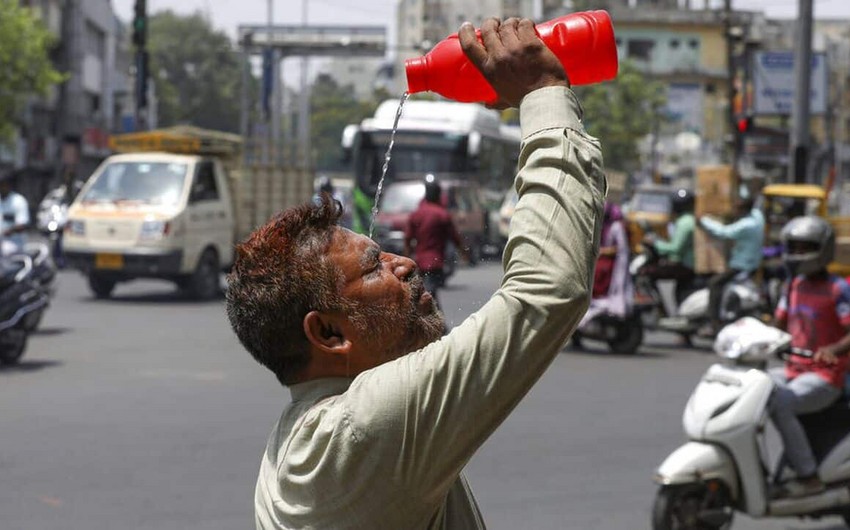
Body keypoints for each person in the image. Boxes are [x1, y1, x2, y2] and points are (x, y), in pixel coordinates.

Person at [225, 17, 606, 530]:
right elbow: (547, 290)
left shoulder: (303, 439)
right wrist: (542, 93)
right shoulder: (365, 429)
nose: (403, 264)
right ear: (329, 333)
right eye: (373, 267)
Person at [770, 216, 850, 498]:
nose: (799, 254)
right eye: (795, 247)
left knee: (780, 404)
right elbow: (777, 325)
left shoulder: (838, 289)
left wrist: (833, 350)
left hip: (825, 377)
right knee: (750, 388)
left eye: (806, 248)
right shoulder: (793, 286)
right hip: (794, 370)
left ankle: (807, 474)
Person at [698, 196, 765, 335]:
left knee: (714, 284)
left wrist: (703, 220)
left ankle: (714, 322)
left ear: (743, 210)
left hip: (742, 265)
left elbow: (723, 232)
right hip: (752, 262)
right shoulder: (758, 217)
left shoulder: (746, 225)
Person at [403, 174, 468, 310]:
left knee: (425, 293)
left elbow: (408, 239)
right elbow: (455, 237)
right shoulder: (442, 215)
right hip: (436, 262)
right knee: (430, 294)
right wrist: (464, 252)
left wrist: (407, 259)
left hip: (420, 262)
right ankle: (438, 325)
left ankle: (434, 324)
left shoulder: (417, 214)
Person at [578, 201, 631, 338]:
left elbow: (620, 248)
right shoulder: (602, 226)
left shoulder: (616, 227)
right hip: (601, 260)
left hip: (612, 264)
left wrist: (603, 251)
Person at [642, 188, 696, 303]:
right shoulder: (687, 220)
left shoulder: (684, 223)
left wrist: (655, 243)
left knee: (646, 272)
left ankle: (657, 304)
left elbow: (676, 248)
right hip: (685, 263)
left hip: (686, 265)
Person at [0, 173, 30, 254]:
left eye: (3, 185)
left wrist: (6, 232)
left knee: (5, 250)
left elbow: (22, 225)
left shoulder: (18, 201)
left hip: (13, 243)